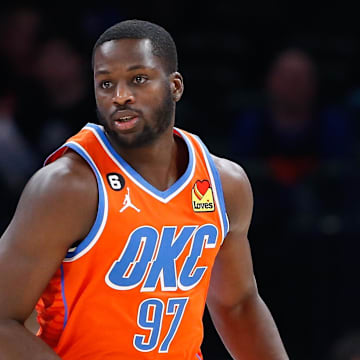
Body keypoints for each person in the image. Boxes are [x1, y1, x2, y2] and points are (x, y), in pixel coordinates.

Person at [0, 19, 289, 359]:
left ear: (175, 86)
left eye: (138, 79)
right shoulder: (68, 186)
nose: (120, 96)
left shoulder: (225, 184)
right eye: (106, 83)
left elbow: (237, 305)